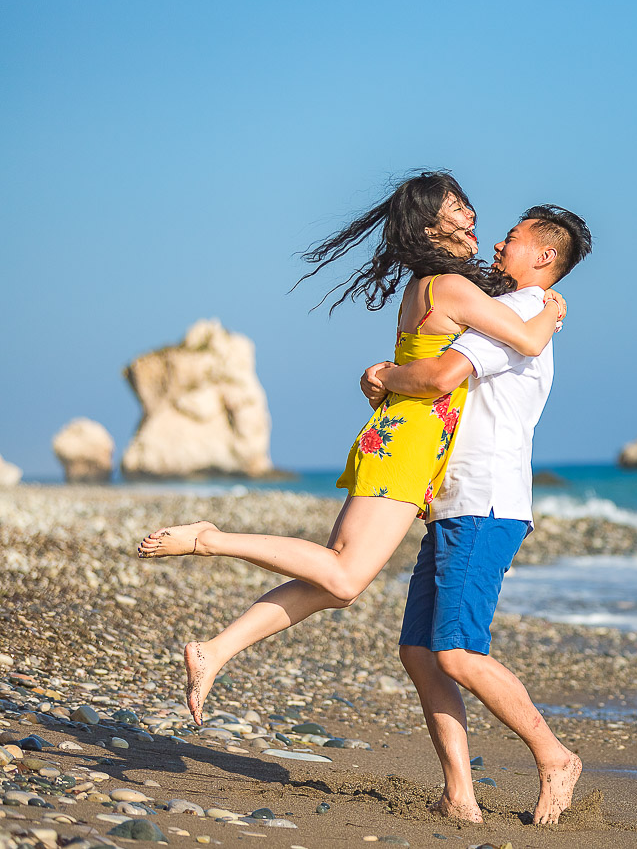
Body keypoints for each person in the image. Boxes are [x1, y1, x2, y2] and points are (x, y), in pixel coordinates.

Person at [136, 171, 568, 726]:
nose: (471, 216)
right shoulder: (452, 288)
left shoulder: (431, 286)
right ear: (430, 226)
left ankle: (216, 649)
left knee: (336, 584)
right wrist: (552, 310)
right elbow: (525, 341)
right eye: (456, 208)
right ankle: (209, 539)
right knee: (342, 577)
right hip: (408, 443)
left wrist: (382, 374)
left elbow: (416, 362)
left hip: (399, 437)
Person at [360, 204, 590, 826]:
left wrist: (384, 374)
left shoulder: (519, 310)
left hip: (484, 501)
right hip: (455, 498)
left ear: (543, 257)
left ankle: (554, 754)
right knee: (418, 650)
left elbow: (441, 375)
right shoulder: (524, 309)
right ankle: (460, 793)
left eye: (511, 240)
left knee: (458, 652)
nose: (496, 245)